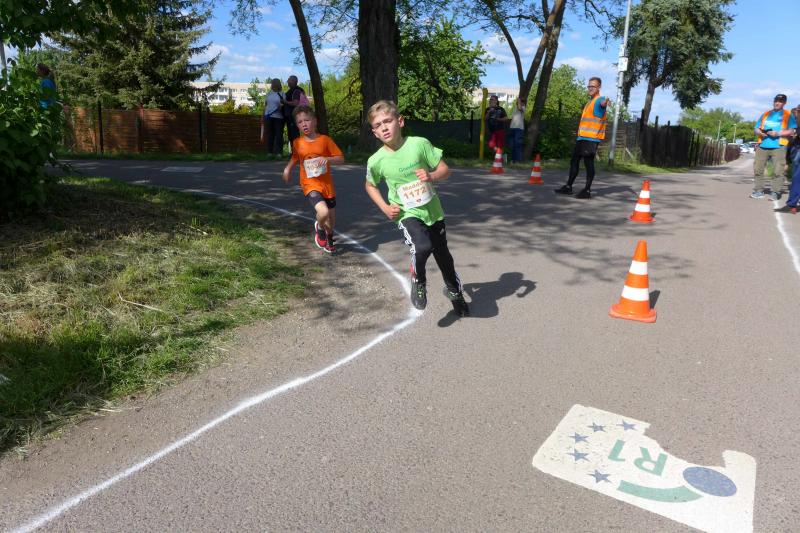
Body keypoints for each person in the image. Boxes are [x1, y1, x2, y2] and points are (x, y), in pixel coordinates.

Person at [365, 100, 469, 317]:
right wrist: (385, 207)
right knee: (422, 246)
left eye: (388, 121)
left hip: (432, 211)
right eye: (378, 125)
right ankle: (418, 280)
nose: (384, 128)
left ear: (400, 121)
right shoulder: (376, 160)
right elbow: (370, 185)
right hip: (406, 213)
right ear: (374, 133)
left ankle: (455, 292)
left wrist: (432, 176)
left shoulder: (419, 144)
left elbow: (445, 170)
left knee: (444, 257)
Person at [282, 105, 344, 253]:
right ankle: (320, 227)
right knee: (323, 212)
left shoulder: (325, 140)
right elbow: (295, 157)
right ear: (297, 125)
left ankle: (329, 237)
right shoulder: (297, 142)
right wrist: (287, 169)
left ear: (315, 121)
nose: (304, 124)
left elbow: (341, 159)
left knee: (331, 219)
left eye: (307, 120)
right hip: (309, 184)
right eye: (300, 122)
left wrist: (327, 159)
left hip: (327, 185)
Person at [554, 76, 609, 199]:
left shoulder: (599, 100)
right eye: (589, 86)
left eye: (593, 86)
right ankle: (568, 187)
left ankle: (587, 190)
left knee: (588, 163)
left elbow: (603, 104)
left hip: (591, 139)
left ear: (599, 87)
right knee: (574, 161)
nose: (590, 88)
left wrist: (605, 103)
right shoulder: (589, 102)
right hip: (582, 138)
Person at [750, 94, 797, 200]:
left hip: (779, 146)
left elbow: (792, 130)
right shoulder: (766, 114)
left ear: (784, 103)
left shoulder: (788, 114)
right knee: (758, 169)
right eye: (776, 100)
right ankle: (758, 191)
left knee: (778, 170)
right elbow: (756, 128)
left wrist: (778, 133)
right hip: (763, 145)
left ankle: (775, 192)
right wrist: (760, 133)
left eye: (780, 101)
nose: (777, 103)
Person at [261, 78, 285, 155]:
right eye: (272, 83)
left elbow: (283, 104)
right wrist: (263, 116)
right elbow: (265, 105)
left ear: (278, 84)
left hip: (279, 117)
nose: (272, 84)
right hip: (268, 117)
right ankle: (269, 152)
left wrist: (281, 106)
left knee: (278, 135)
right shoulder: (269, 94)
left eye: (274, 83)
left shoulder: (282, 94)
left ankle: (279, 153)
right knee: (269, 135)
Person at [283, 75, 308, 149]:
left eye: (289, 80)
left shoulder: (296, 91)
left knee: (293, 134)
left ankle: (296, 151)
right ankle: (295, 151)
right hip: (293, 116)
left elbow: (295, 103)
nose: (287, 81)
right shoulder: (295, 90)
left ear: (294, 81)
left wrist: (284, 102)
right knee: (292, 134)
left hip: (294, 116)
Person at [508, 97, 526, 163]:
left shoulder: (523, 108)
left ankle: (518, 160)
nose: (518, 102)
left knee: (517, 145)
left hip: (519, 129)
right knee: (511, 145)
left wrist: (519, 100)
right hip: (512, 128)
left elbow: (519, 108)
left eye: (520, 101)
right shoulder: (515, 108)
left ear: (522, 103)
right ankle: (513, 160)